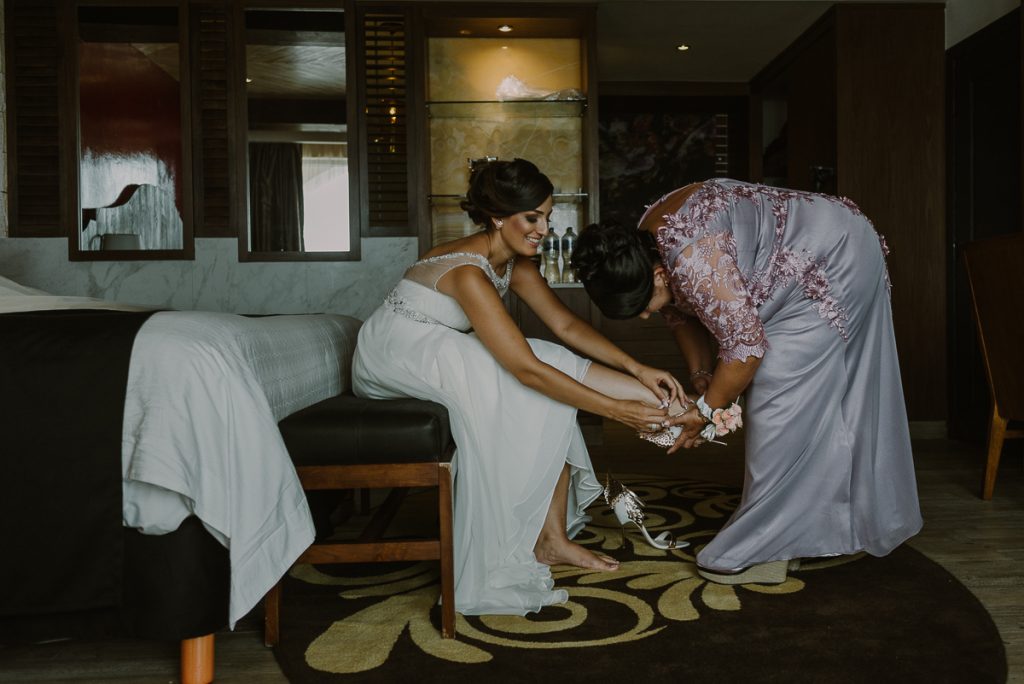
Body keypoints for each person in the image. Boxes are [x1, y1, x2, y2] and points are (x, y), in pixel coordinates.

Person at [352, 158, 690, 616]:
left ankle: (554, 537)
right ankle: (551, 534)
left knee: (547, 360)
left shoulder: (516, 265)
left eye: (547, 217)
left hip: (444, 347)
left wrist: (637, 366)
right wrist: (614, 409)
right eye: (533, 217)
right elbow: (525, 369)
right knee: (535, 374)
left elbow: (567, 326)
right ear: (498, 218)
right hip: (397, 352)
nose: (543, 228)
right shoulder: (466, 271)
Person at [572, 178, 924, 585]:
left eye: (642, 307)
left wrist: (705, 413)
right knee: (789, 402)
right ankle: (801, 526)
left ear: (656, 275)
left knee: (777, 403)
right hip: (816, 248)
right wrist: (704, 378)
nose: (647, 317)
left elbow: (746, 347)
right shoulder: (646, 243)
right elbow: (681, 314)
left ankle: (764, 544)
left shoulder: (690, 258)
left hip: (830, 261)